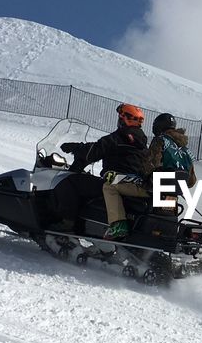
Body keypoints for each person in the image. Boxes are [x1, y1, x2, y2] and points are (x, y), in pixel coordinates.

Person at [58, 103, 149, 241]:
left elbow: (94, 152)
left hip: (116, 182)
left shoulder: (118, 137)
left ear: (123, 119)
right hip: (133, 184)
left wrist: (75, 147)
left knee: (70, 182)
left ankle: (66, 225)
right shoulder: (142, 143)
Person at [143, 112, 197, 210]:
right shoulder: (186, 150)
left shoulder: (160, 140)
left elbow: (149, 165)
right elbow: (191, 181)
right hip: (173, 196)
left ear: (158, 126)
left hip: (153, 190)